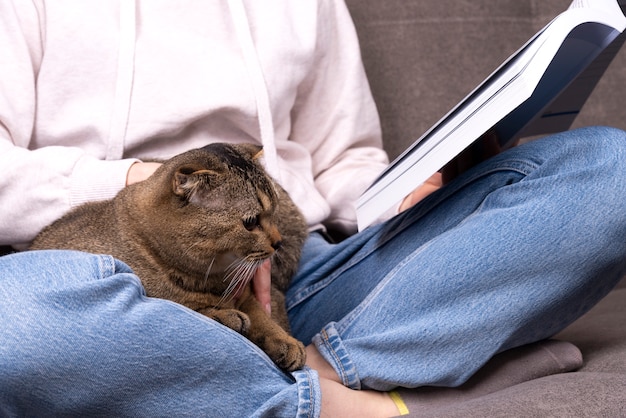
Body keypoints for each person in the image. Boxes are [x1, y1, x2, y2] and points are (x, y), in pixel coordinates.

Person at [1, 1, 626, 416]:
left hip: (295, 277)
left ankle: (308, 368)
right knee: (13, 322)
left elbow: (343, 156)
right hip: (112, 293)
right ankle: (360, 401)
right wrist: (146, 182)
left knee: (610, 173)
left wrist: (400, 196)